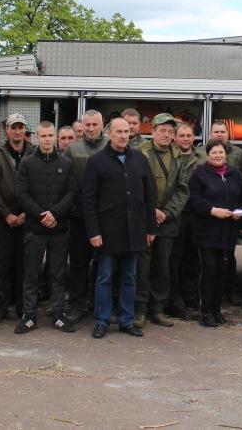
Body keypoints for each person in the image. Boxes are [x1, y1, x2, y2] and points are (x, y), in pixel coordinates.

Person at [84, 118, 158, 339]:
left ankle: (127, 320)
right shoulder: (96, 161)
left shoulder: (140, 160)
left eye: (127, 131)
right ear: (109, 133)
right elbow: (88, 200)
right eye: (119, 131)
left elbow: (150, 195)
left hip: (134, 230)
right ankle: (102, 320)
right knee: (104, 277)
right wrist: (93, 231)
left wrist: (150, 227)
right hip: (108, 231)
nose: (124, 135)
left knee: (130, 277)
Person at [15, 121, 77, 334]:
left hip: (59, 229)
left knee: (58, 274)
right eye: (44, 136)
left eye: (51, 135)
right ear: (36, 138)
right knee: (31, 274)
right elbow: (22, 194)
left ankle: (59, 314)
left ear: (55, 137)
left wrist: (55, 214)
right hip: (35, 229)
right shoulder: (27, 163)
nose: (48, 139)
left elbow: (71, 193)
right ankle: (29, 315)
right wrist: (42, 215)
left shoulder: (67, 163)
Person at [135, 113, 190, 328]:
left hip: (167, 223)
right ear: (153, 132)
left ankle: (157, 309)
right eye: (162, 131)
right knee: (142, 267)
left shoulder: (178, 157)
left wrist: (166, 212)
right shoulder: (139, 154)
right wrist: (152, 211)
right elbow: (134, 187)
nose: (166, 135)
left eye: (170, 132)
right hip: (144, 222)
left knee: (162, 268)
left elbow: (183, 190)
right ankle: (139, 310)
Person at [188, 140, 242, 327]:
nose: (218, 155)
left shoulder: (235, 174)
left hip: (228, 232)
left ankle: (216, 309)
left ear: (225, 154)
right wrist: (212, 210)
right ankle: (206, 312)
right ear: (208, 154)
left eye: (221, 152)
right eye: (214, 152)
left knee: (223, 272)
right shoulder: (199, 174)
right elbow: (194, 200)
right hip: (207, 232)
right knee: (209, 271)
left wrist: (239, 212)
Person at [0, 112, 35, 323]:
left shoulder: (34, 153)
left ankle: (22, 305)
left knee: (24, 264)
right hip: (3, 218)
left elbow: (40, 185)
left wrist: (27, 213)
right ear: (7, 130)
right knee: (2, 263)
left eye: (20, 127)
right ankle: (0, 306)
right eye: (13, 127)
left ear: (25, 130)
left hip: (28, 217)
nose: (17, 131)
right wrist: (6, 214)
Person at [65, 109, 108, 321]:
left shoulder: (111, 146)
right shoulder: (72, 150)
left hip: (106, 218)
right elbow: (67, 184)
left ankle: (98, 304)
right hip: (79, 217)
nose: (91, 128)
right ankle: (76, 306)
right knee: (78, 264)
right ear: (82, 126)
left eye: (95, 124)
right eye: (87, 125)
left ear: (102, 125)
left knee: (103, 265)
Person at [168, 121, 201, 316]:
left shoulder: (202, 158)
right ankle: (174, 299)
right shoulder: (170, 156)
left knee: (192, 258)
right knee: (174, 259)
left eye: (189, 136)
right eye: (182, 136)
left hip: (195, 217)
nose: (186, 139)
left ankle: (191, 297)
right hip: (175, 215)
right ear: (175, 138)